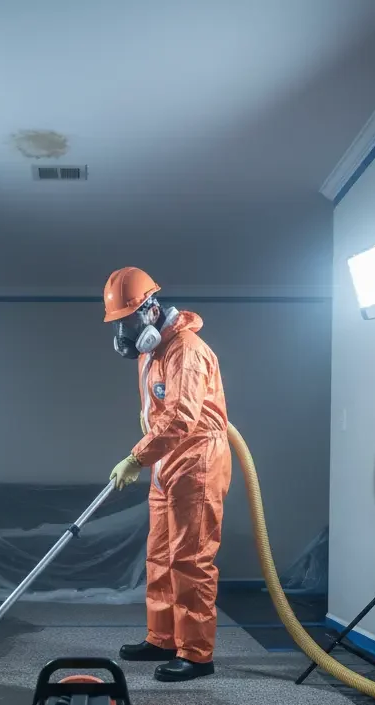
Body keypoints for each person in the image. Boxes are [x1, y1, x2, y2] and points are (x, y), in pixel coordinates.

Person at [105, 266, 232, 681]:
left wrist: (135, 458)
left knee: (190, 559)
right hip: (167, 460)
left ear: (151, 310)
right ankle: (161, 638)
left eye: (127, 320)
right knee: (160, 554)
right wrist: (149, 458)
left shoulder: (186, 351)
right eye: (119, 323)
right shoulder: (153, 352)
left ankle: (196, 654)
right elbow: (158, 416)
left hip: (197, 459)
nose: (124, 332)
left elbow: (180, 417)